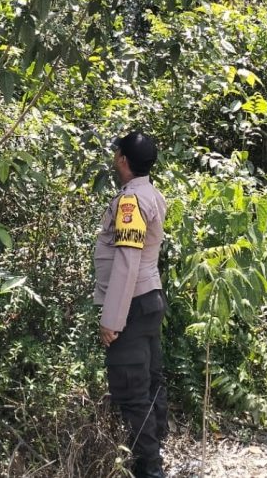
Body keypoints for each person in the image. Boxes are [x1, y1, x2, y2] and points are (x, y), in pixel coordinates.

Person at [93, 131, 168, 478]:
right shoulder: (151, 193)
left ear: (123, 160)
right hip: (149, 299)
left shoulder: (130, 203)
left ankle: (150, 470)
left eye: (116, 153)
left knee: (132, 390)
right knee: (150, 383)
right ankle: (158, 453)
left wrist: (112, 320)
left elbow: (126, 262)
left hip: (133, 305)